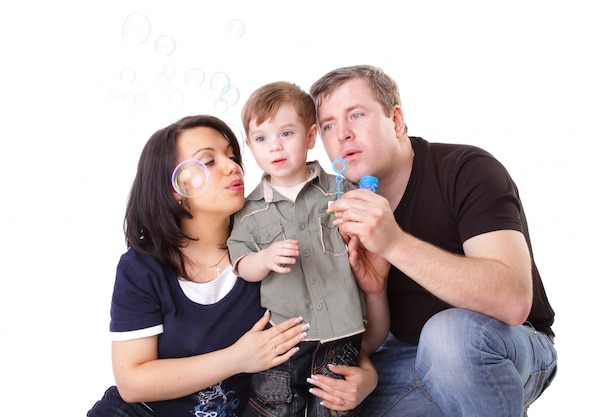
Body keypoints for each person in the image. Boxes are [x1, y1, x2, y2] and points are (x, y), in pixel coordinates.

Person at [308, 65, 557, 417]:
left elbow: (513, 300)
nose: (342, 134)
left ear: (395, 121)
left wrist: (394, 243)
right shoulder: (334, 206)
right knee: (323, 395)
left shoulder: (466, 169)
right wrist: (374, 296)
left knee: (450, 339)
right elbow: (361, 335)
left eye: (356, 115)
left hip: (503, 345)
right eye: (329, 125)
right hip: (399, 356)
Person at [86, 115, 373, 417]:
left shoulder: (271, 254)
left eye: (232, 155)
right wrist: (238, 358)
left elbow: (328, 326)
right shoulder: (142, 268)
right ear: (174, 189)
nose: (232, 166)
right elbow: (133, 382)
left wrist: (367, 376)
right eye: (208, 161)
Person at [227, 81, 389, 416]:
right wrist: (265, 258)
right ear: (249, 146)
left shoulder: (341, 193)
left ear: (311, 136)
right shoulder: (247, 210)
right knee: (276, 407)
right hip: (284, 337)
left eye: (287, 134)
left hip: (341, 333)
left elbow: (371, 241)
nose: (275, 147)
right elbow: (242, 262)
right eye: (262, 139)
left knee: (333, 407)